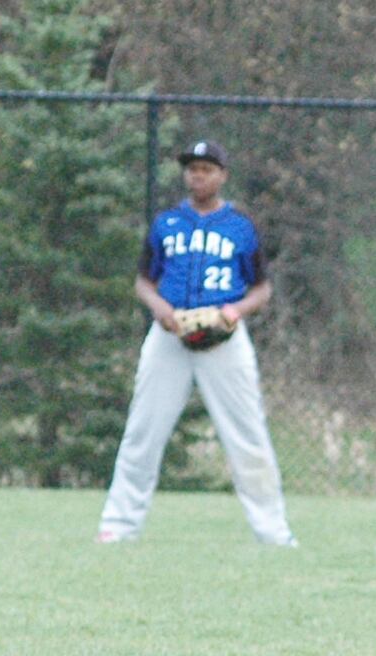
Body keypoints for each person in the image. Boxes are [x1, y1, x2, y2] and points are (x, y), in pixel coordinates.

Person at [97, 139, 295, 546]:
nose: (198, 175)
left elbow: (261, 290)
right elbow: (144, 281)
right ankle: (118, 526)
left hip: (225, 339)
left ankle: (274, 533)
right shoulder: (166, 224)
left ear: (222, 175)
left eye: (206, 168)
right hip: (170, 338)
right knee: (142, 433)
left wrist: (235, 312)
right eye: (192, 168)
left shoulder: (241, 227)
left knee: (248, 437)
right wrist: (160, 309)